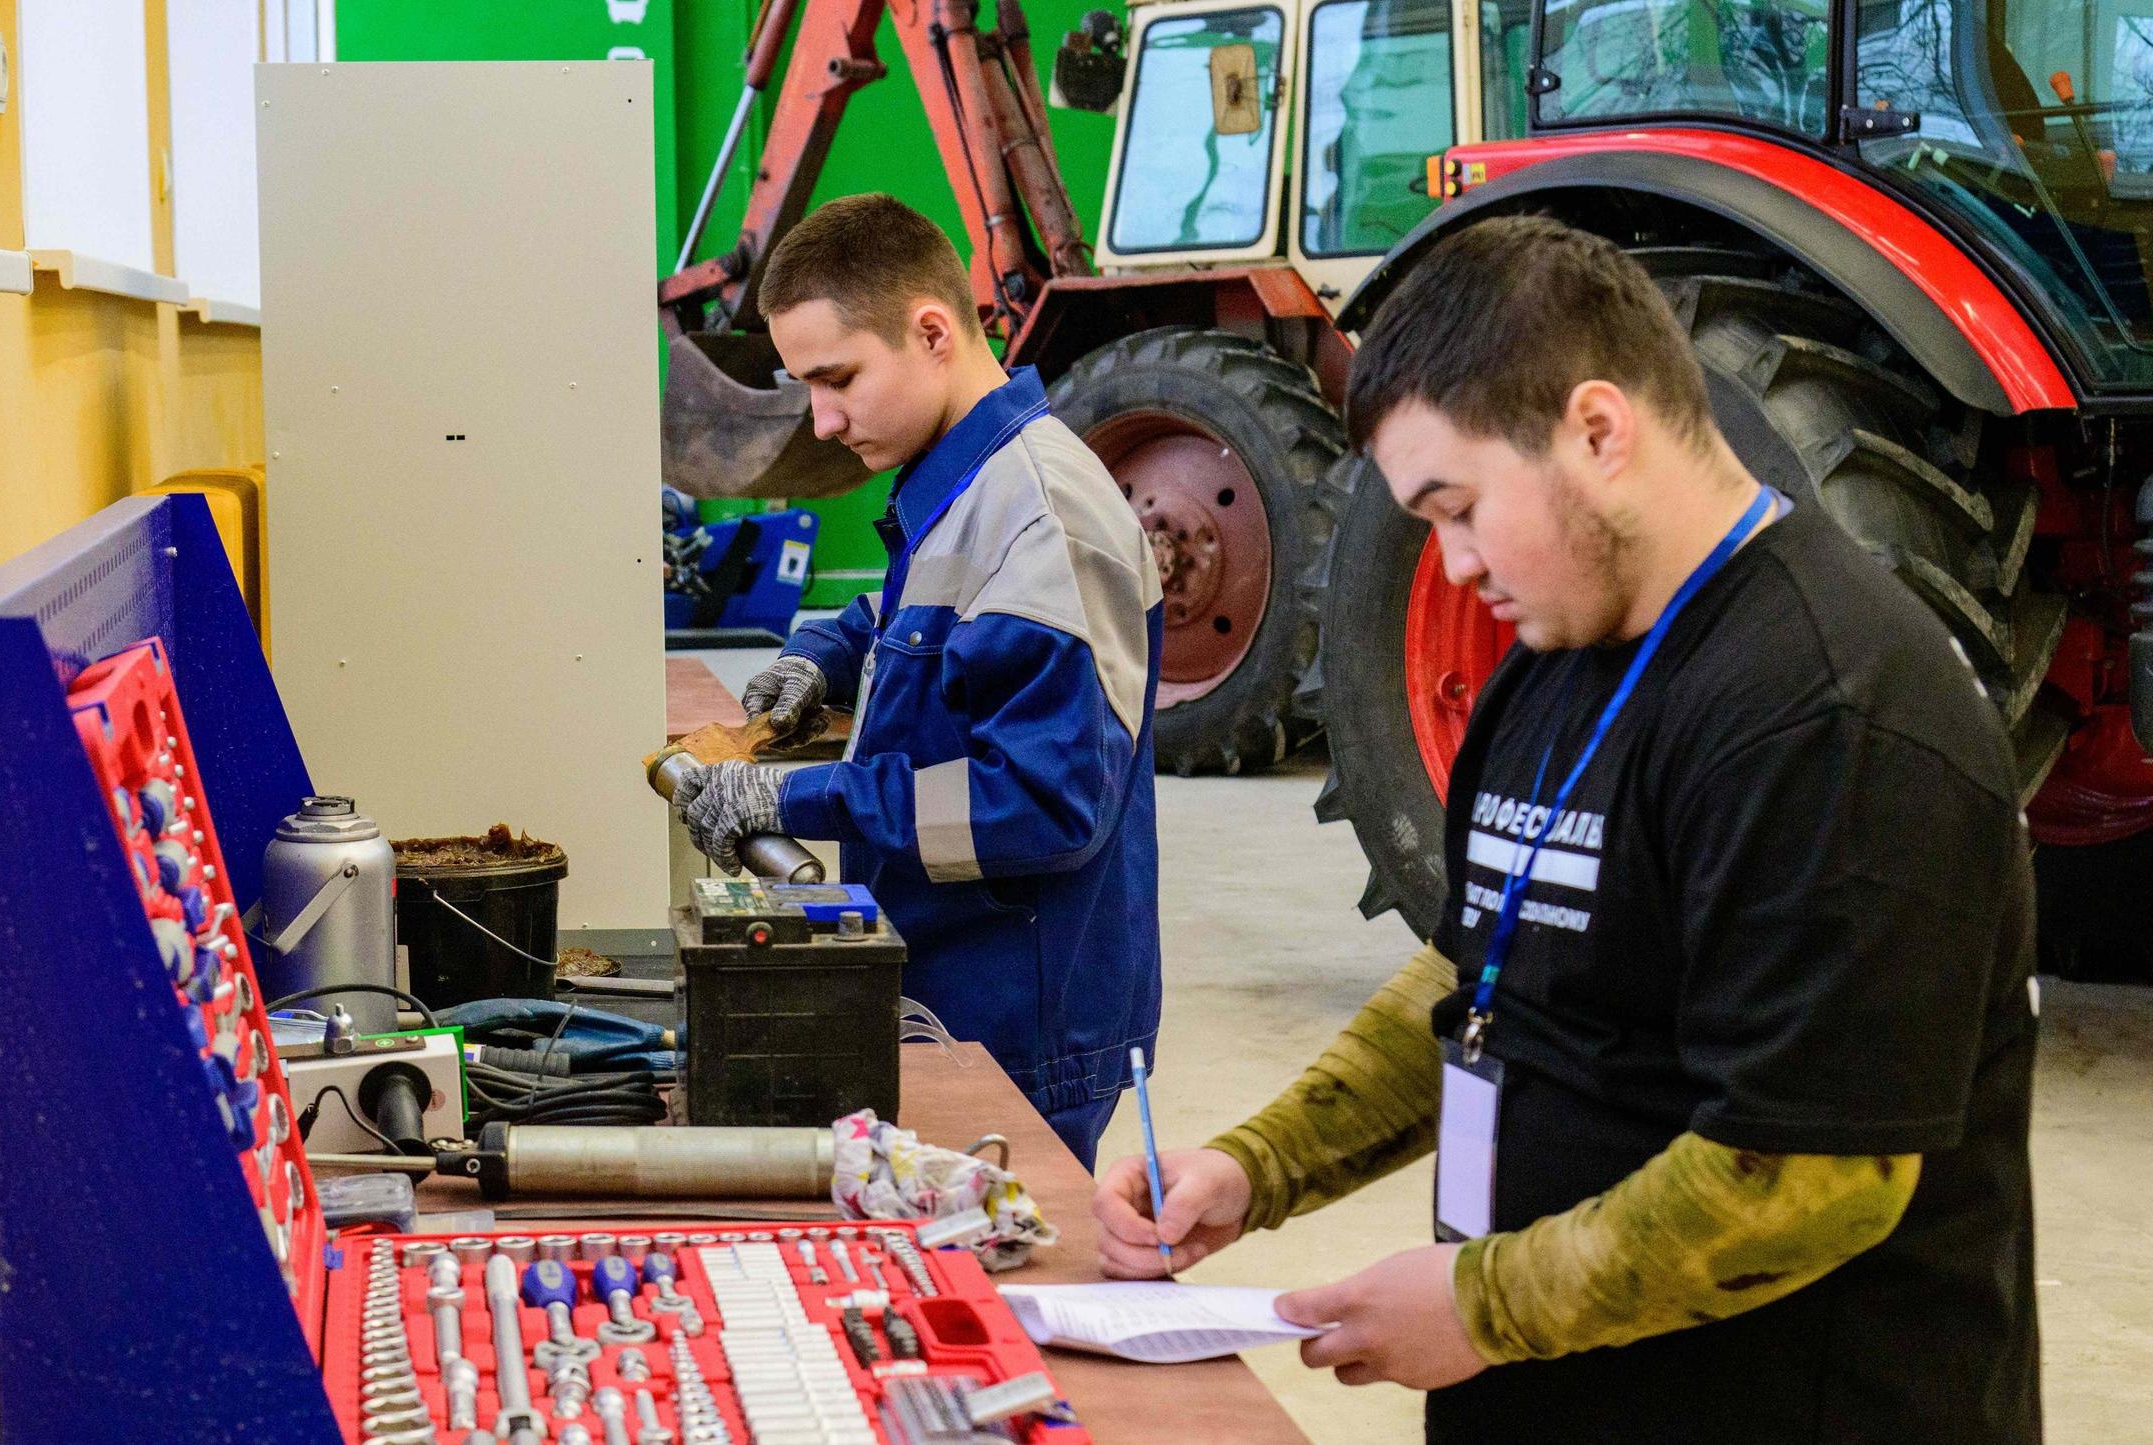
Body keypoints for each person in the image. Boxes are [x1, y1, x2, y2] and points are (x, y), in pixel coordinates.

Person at [1092, 216, 2040, 1443]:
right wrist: (1257, 1164)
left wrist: (1482, 1306)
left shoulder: (1829, 711)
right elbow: (1489, 966)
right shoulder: (1553, 656)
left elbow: (1804, 1180)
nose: (1454, 562)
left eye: (1461, 506)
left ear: (1597, 428)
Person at [669, 193, 1164, 1167]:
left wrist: (795, 794)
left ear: (931, 330)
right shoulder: (962, 480)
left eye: (836, 378)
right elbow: (910, 619)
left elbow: (1041, 803)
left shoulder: (1040, 520)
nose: (821, 417)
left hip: (1020, 1021)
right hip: (954, 981)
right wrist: (824, 652)